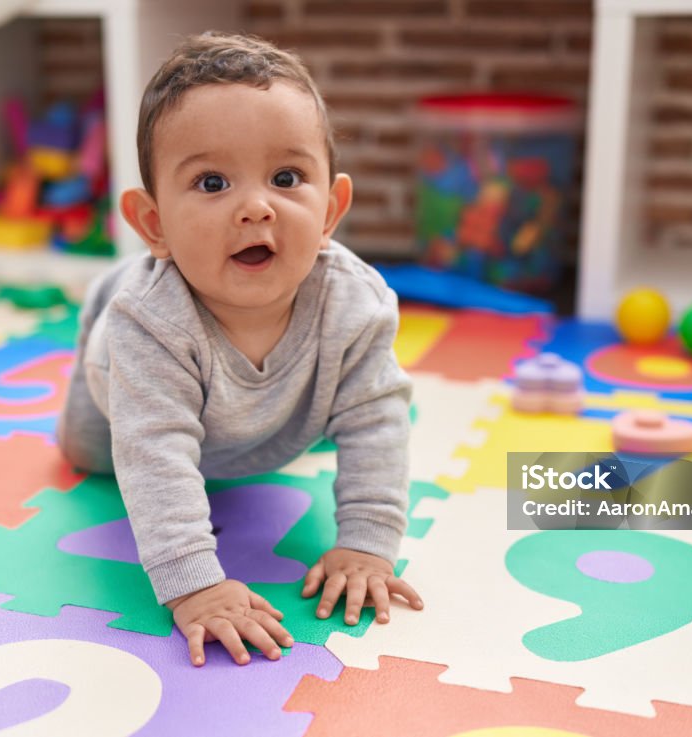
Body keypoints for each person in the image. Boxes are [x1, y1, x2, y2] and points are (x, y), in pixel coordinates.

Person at [56, 31, 422, 668]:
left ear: (332, 208)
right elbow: (154, 454)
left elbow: (376, 423)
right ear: (154, 224)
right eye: (212, 182)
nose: (256, 207)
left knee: (343, 416)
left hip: (264, 420)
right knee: (93, 458)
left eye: (286, 177)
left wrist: (368, 543)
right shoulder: (147, 324)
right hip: (122, 386)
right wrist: (195, 584)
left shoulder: (356, 305)